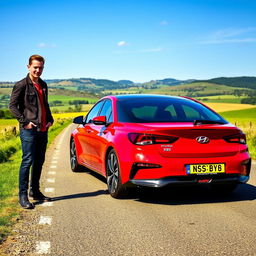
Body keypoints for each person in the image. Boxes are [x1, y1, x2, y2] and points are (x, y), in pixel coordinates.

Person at [9, 55, 54, 209]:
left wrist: (50, 119)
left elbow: (45, 105)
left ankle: (35, 191)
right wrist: (24, 122)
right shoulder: (21, 85)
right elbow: (12, 106)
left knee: (39, 161)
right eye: (35, 67)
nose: (38, 70)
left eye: (40, 67)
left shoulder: (43, 85)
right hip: (29, 130)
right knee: (27, 161)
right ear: (28, 66)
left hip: (43, 130)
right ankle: (23, 195)